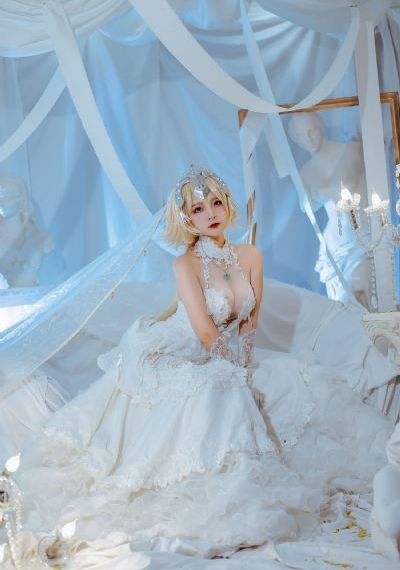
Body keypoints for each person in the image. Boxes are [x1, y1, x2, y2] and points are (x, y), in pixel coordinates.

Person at [16, 166, 392, 559]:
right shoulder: (186, 264)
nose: (210, 214)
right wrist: (231, 370)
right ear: (186, 218)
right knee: (217, 389)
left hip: (218, 349)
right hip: (169, 348)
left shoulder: (249, 256)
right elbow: (204, 330)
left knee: (293, 377)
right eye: (198, 209)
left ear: (227, 205)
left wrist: (244, 360)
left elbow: (249, 320)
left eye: (215, 203)